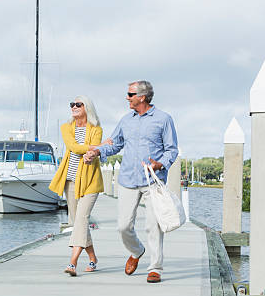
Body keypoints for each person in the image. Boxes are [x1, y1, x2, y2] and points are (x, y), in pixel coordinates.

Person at [86, 80, 178, 283]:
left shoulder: (163, 119)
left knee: (153, 226)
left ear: (142, 97)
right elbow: (114, 145)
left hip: (152, 180)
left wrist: (160, 164)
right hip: (127, 179)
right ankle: (136, 251)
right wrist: (97, 151)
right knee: (123, 226)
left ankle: (155, 268)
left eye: (130, 94)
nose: (126, 98)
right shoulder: (126, 120)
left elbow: (172, 149)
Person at [49, 95, 106, 277]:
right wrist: (98, 146)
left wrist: (97, 147)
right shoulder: (66, 128)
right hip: (70, 180)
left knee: (81, 219)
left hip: (90, 180)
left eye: (78, 104)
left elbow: (94, 151)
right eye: (71, 104)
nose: (73, 107)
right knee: (78, 222)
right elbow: (73, 147)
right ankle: (93, 258)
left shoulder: (96, 129)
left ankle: (72, 263)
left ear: (87, 108)